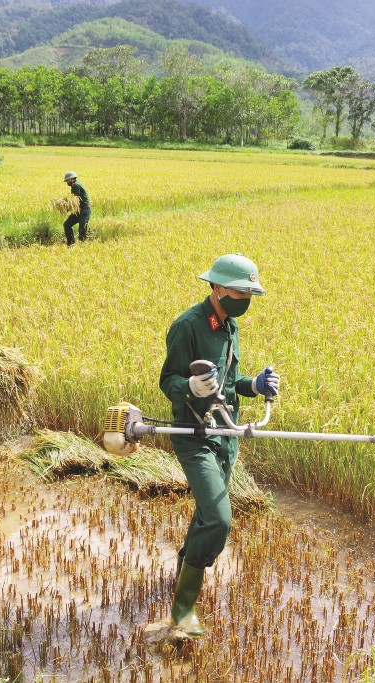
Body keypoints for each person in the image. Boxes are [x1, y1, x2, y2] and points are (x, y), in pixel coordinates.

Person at [158, 253, 280, 638]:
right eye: (240, 292)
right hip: (195, 436)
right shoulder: (189, 326)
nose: (245, 299)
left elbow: (230, 379)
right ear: (217, 287)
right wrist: (189, 387)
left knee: (205, 514)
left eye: (249, 293)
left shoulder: (229, 326)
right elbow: (169, 380)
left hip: (226, 438)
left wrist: (253, 385)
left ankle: (182, 577)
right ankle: (182, 610)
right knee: (219, 518)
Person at [62, 171, 91, 246]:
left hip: (84, 210)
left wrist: (66, 204)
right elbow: (74, 201)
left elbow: (75, 200)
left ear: (72, 179)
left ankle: (82, 246)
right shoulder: (73, 186)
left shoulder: (76, 185)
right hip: (78, 210)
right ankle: (70, 243)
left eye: (67, 180)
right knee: (67, 224)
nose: (67, 182)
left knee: (82, 229)